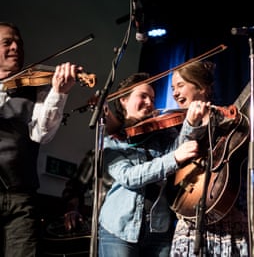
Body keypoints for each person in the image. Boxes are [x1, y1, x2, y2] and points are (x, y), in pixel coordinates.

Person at [169, 43, 254, 256]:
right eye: (172, 88)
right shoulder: (176, 121)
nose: (175, 93)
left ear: (202, 88)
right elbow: (174, 166)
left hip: (231, 214)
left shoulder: (229, 115)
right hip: (192, 221)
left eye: (180, 85)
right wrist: (191, 124)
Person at [97, 72, 208, 257]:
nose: (150, 103)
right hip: (119, 228)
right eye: (143, 96)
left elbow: (179, 148)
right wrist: (173, 158)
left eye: (153, 98)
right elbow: (129, 176)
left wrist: (190, 122)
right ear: (123, 99)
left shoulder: (161, 134)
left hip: (158, 229)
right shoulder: (113, 140)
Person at [0, 21, 81, 256]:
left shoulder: (36, 88)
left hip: (21, 197)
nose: (16, 47)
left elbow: (42, 134)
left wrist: (59, 93)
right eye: (7, 42)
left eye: (19, 43)